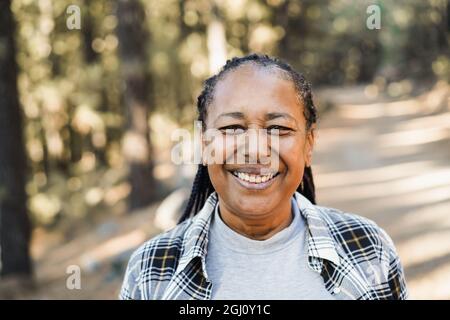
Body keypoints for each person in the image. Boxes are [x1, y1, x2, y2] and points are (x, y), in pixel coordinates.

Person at [119, 53, 408, 300]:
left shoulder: (369, 250)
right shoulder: (151, 271)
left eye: (279, 129)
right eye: (232, 128)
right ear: (204, 144)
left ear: (308, 144)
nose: (256, 151)